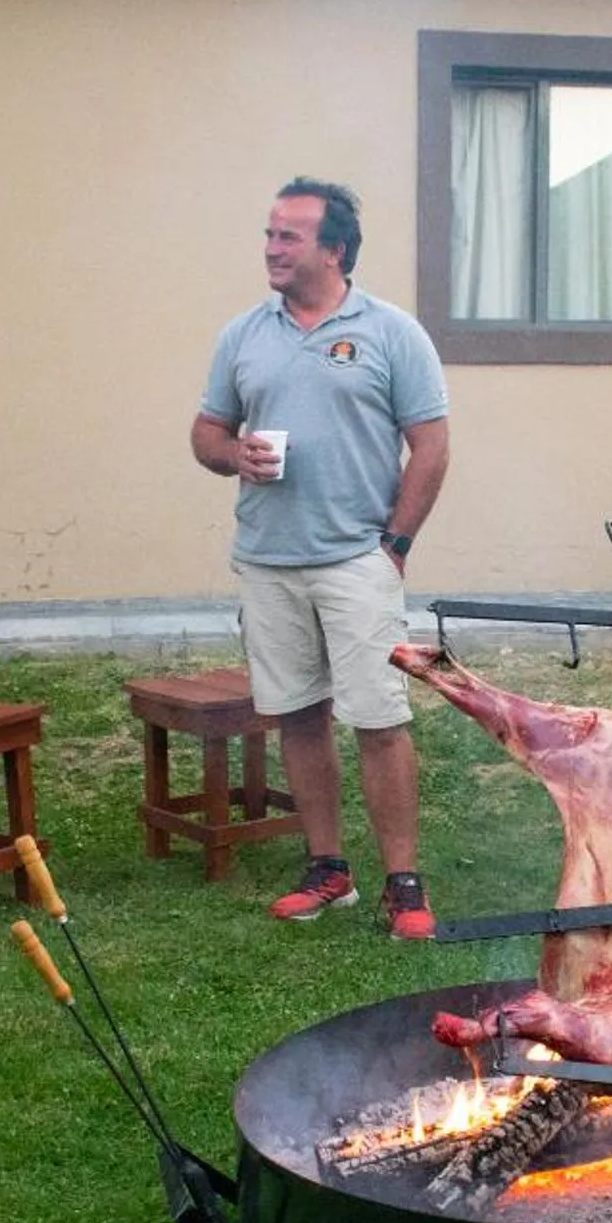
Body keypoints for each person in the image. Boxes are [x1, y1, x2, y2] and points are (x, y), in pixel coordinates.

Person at [190, 178, 451, 938]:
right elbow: (206, 433)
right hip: (269, 560)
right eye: (269, 234)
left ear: (333, 250)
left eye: (289, 237)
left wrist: (395, 545)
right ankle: (329, 869)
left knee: (379, 718)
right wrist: (235, 453)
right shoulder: (244, 334)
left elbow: (430, 447)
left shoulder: (392, 332)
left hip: (356, 560)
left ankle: (403, 879)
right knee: (300, 716)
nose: (271, 248)